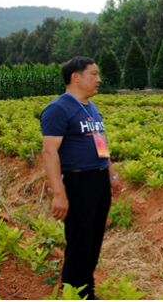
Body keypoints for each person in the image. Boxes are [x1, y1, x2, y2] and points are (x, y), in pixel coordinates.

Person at [41, 56, 122, 300]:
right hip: (79, 182)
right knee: (79, 242)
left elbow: (100, 143)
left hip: (99, 180)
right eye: (94, 74)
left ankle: (86, 292)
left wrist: (111, 173)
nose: (99, 79)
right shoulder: (58, 108)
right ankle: (73, 294)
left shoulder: (91, 108)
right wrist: (59, 193)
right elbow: (49, 151)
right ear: (76, 77)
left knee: (93, 241)